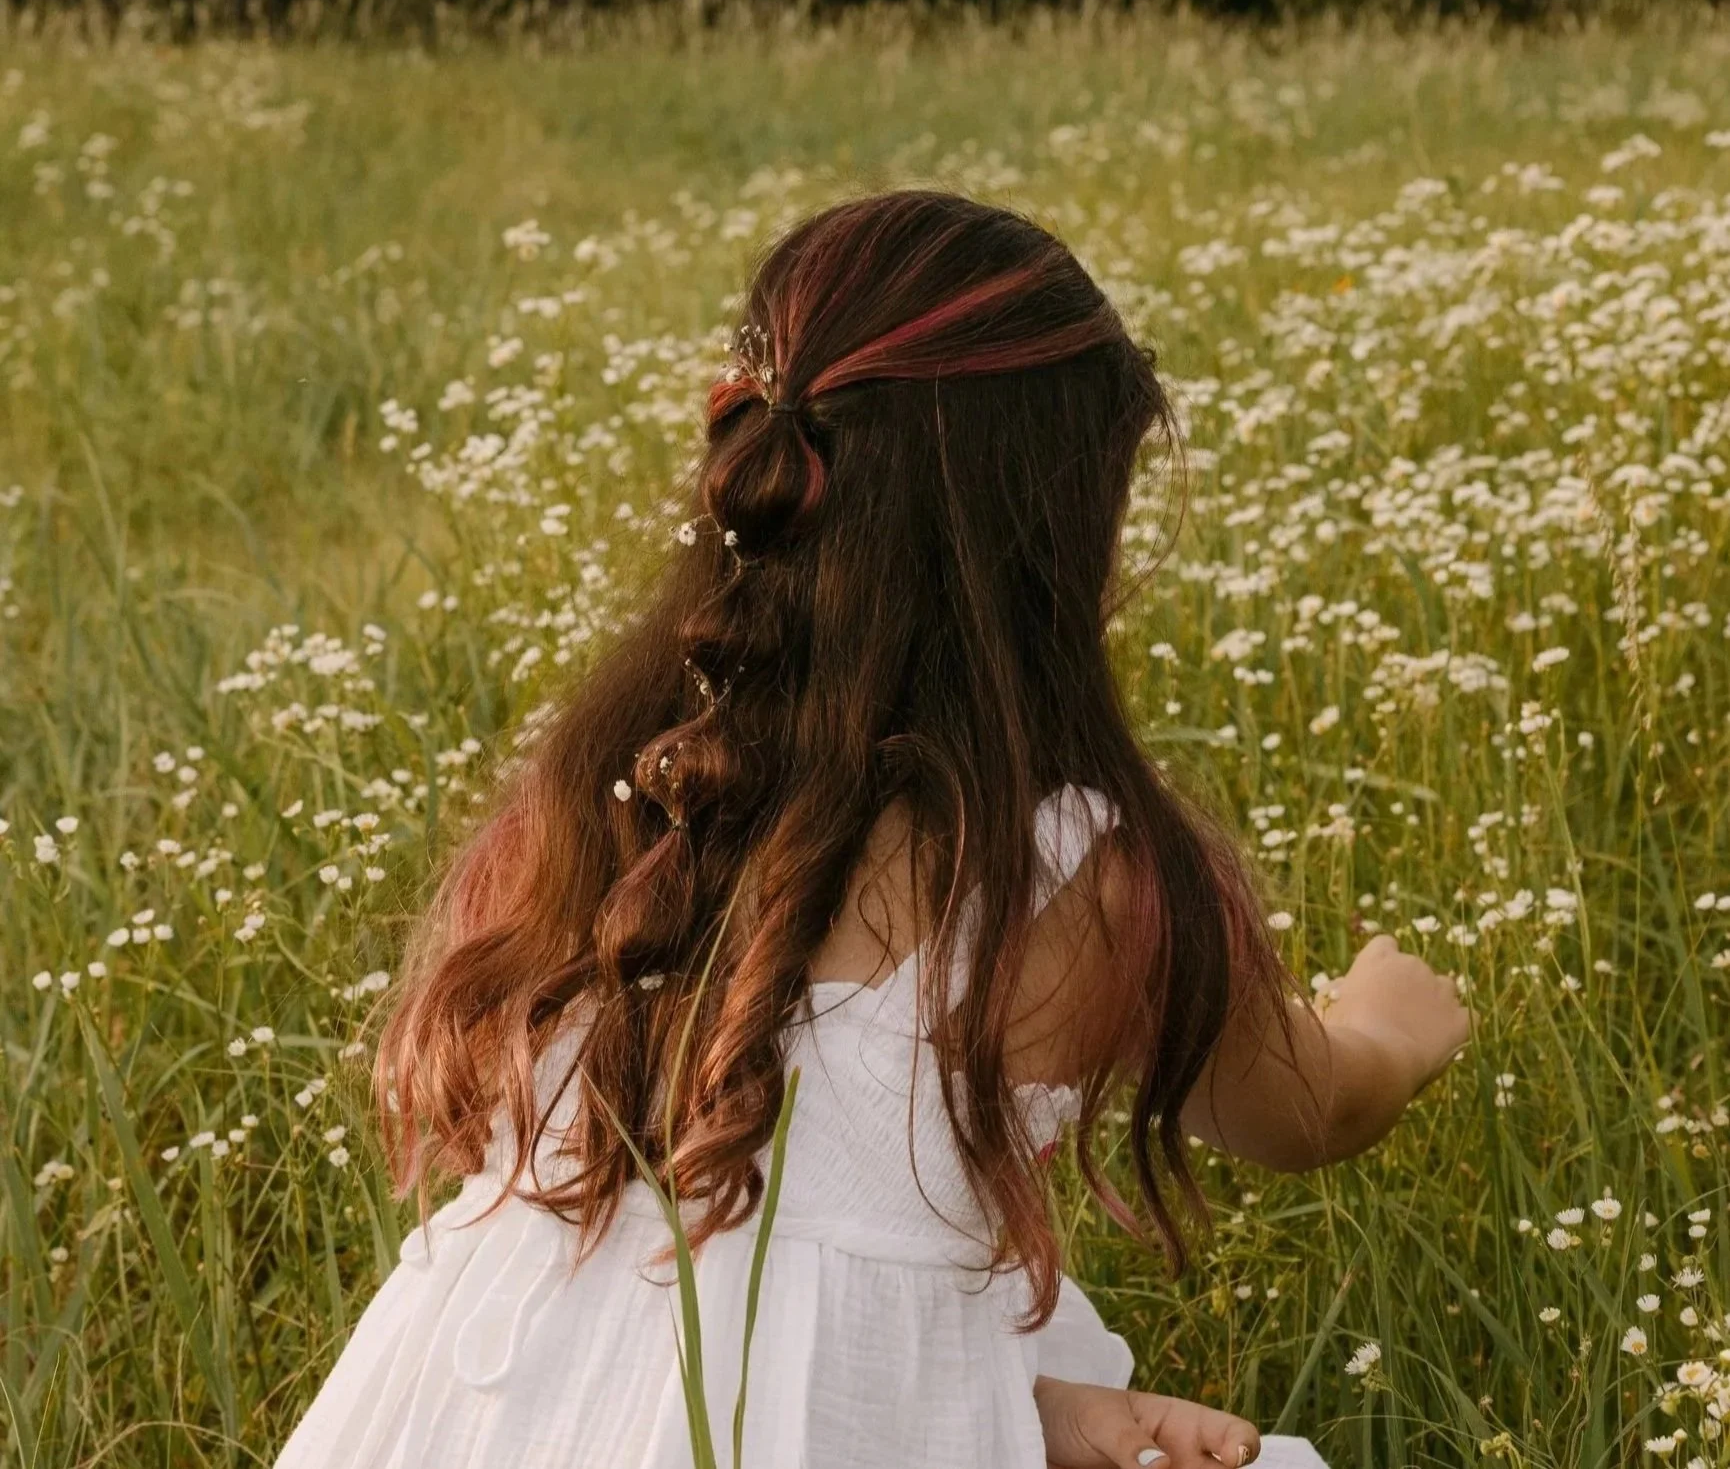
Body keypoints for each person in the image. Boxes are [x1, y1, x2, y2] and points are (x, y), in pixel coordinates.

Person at [275, 191, 1469, 1469]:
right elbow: (1306, 1112)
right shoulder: (1068, 877)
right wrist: (1392, 1022)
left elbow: (687, 1319)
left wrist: (1037, 1410)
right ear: (1051, 546)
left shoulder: (604, 796)